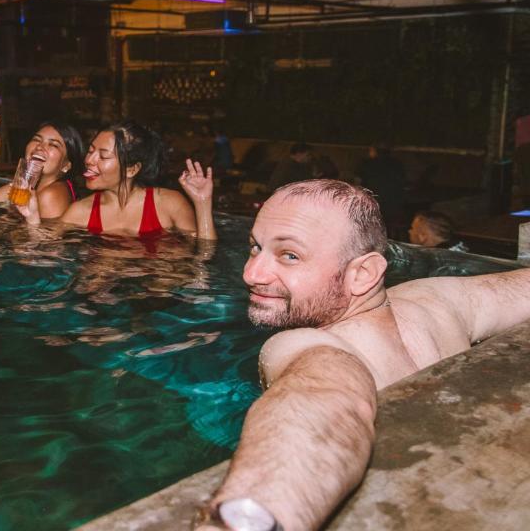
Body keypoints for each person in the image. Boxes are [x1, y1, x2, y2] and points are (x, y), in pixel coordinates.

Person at [195, 179, 530, 531]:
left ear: (363, 274)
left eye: (289, 255)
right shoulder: (438, 299)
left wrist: (246, 519)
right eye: (255, 247)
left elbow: (322, 403)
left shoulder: (302, 345)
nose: (252, 274)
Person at [21, 120, 216, 239]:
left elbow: (204, 254)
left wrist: (202, 203)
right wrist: (32, 217)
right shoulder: (80, 211)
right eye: (90, 151)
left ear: (131, 169)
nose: (89, 160)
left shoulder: (169, 204)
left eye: (103, 156)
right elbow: (43, 252)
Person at [0, 115, 84, 219]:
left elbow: (44, 239)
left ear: (66, 165)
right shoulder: (28, 185)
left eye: (53, 144)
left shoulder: (51, 195)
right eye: (37, 139)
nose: (40, 147)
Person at [357, 144, 407, 239]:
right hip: (393, 202)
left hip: (373, 201)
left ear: (374, 150)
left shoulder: (366, 163)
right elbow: (402, 182)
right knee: (390, 228)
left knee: (371, 228)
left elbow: (357, 183)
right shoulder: (397, 164)